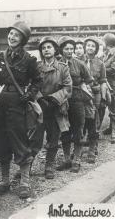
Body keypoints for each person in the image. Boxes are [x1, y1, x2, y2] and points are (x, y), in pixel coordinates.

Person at [0, 21, 42, 199]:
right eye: (11, 33)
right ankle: (4, 181)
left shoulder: (29, 60)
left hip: (17, 106)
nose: (12, 37)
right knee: (2, 143)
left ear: (23, 39)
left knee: (20, 143)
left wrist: (29, 95)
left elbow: (37, 81)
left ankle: (25, 183)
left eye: (16, 35)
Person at [37, 36, 72, 179]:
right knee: (34, 139)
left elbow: (68, 88)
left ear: (55, 49)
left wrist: (53, 99)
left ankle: (49, 166)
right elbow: (31, 84)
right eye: (43, 48)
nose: (46, 50)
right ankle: (25, 168)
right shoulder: (37, 67)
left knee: (53, 138)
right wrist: (40, 99)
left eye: (49, 47)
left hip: (56, 107)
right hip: (39, 108)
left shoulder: (63, 67)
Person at [57, 36, 93, 173]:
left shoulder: (79, 64)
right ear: (61, 50)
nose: (69, 51)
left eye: (71, 49)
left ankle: (76, 160)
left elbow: (89, 79)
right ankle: (67, 159)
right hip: (61, 100)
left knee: (78, 129)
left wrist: (83, 85)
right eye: (66, 48)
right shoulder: (56, 63)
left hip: (77, 100)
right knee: (64, 130)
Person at [82, 36, 107, 163]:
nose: (90, 48)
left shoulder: (100, 63)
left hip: (95, 94)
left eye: (93, 46)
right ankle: (78, 149)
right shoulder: (78, 60)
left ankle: (92, 149)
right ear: (85, 47)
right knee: (81, 121)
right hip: (81, 94)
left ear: (96, 49)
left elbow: (103, 81)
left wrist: (103, 97)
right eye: (88, 45)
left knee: (94, 120)